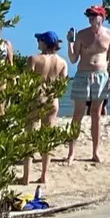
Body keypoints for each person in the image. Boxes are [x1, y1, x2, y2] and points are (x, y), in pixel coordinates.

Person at [64, 4, 110, 163]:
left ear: (102, 17)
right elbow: (73, 59)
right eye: (89, 15)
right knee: (77, 115)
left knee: (96, 114)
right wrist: (69, 42)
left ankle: (95, 152)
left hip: (101, 76)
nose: (91, 18)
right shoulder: (81, 34)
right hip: (82, 75)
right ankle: (71, 152)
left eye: (94, 15)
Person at [22, 32, 68, 185]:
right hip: (52, 100)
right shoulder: (62, 62)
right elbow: (63, 86)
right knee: (47, 138)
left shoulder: (33, 59)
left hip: (36, 99)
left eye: (39, 40)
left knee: (29, 138)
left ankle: (26, 177)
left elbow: (26, 82)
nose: (37, 42)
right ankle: (44, 175)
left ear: (43, 42)